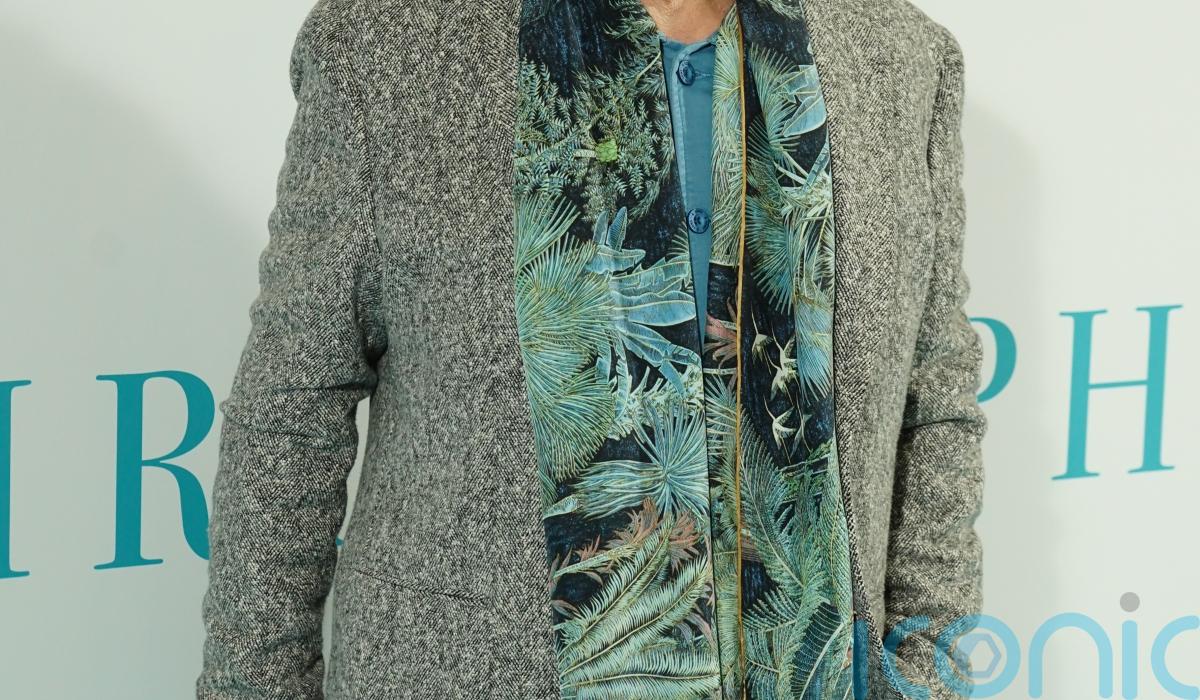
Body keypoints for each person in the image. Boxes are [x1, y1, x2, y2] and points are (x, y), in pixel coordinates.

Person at [195, 0, 988, 698]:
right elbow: (291, 417)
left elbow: (936, 410)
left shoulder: (901, 59)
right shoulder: (389, 48)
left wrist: (930, 678)